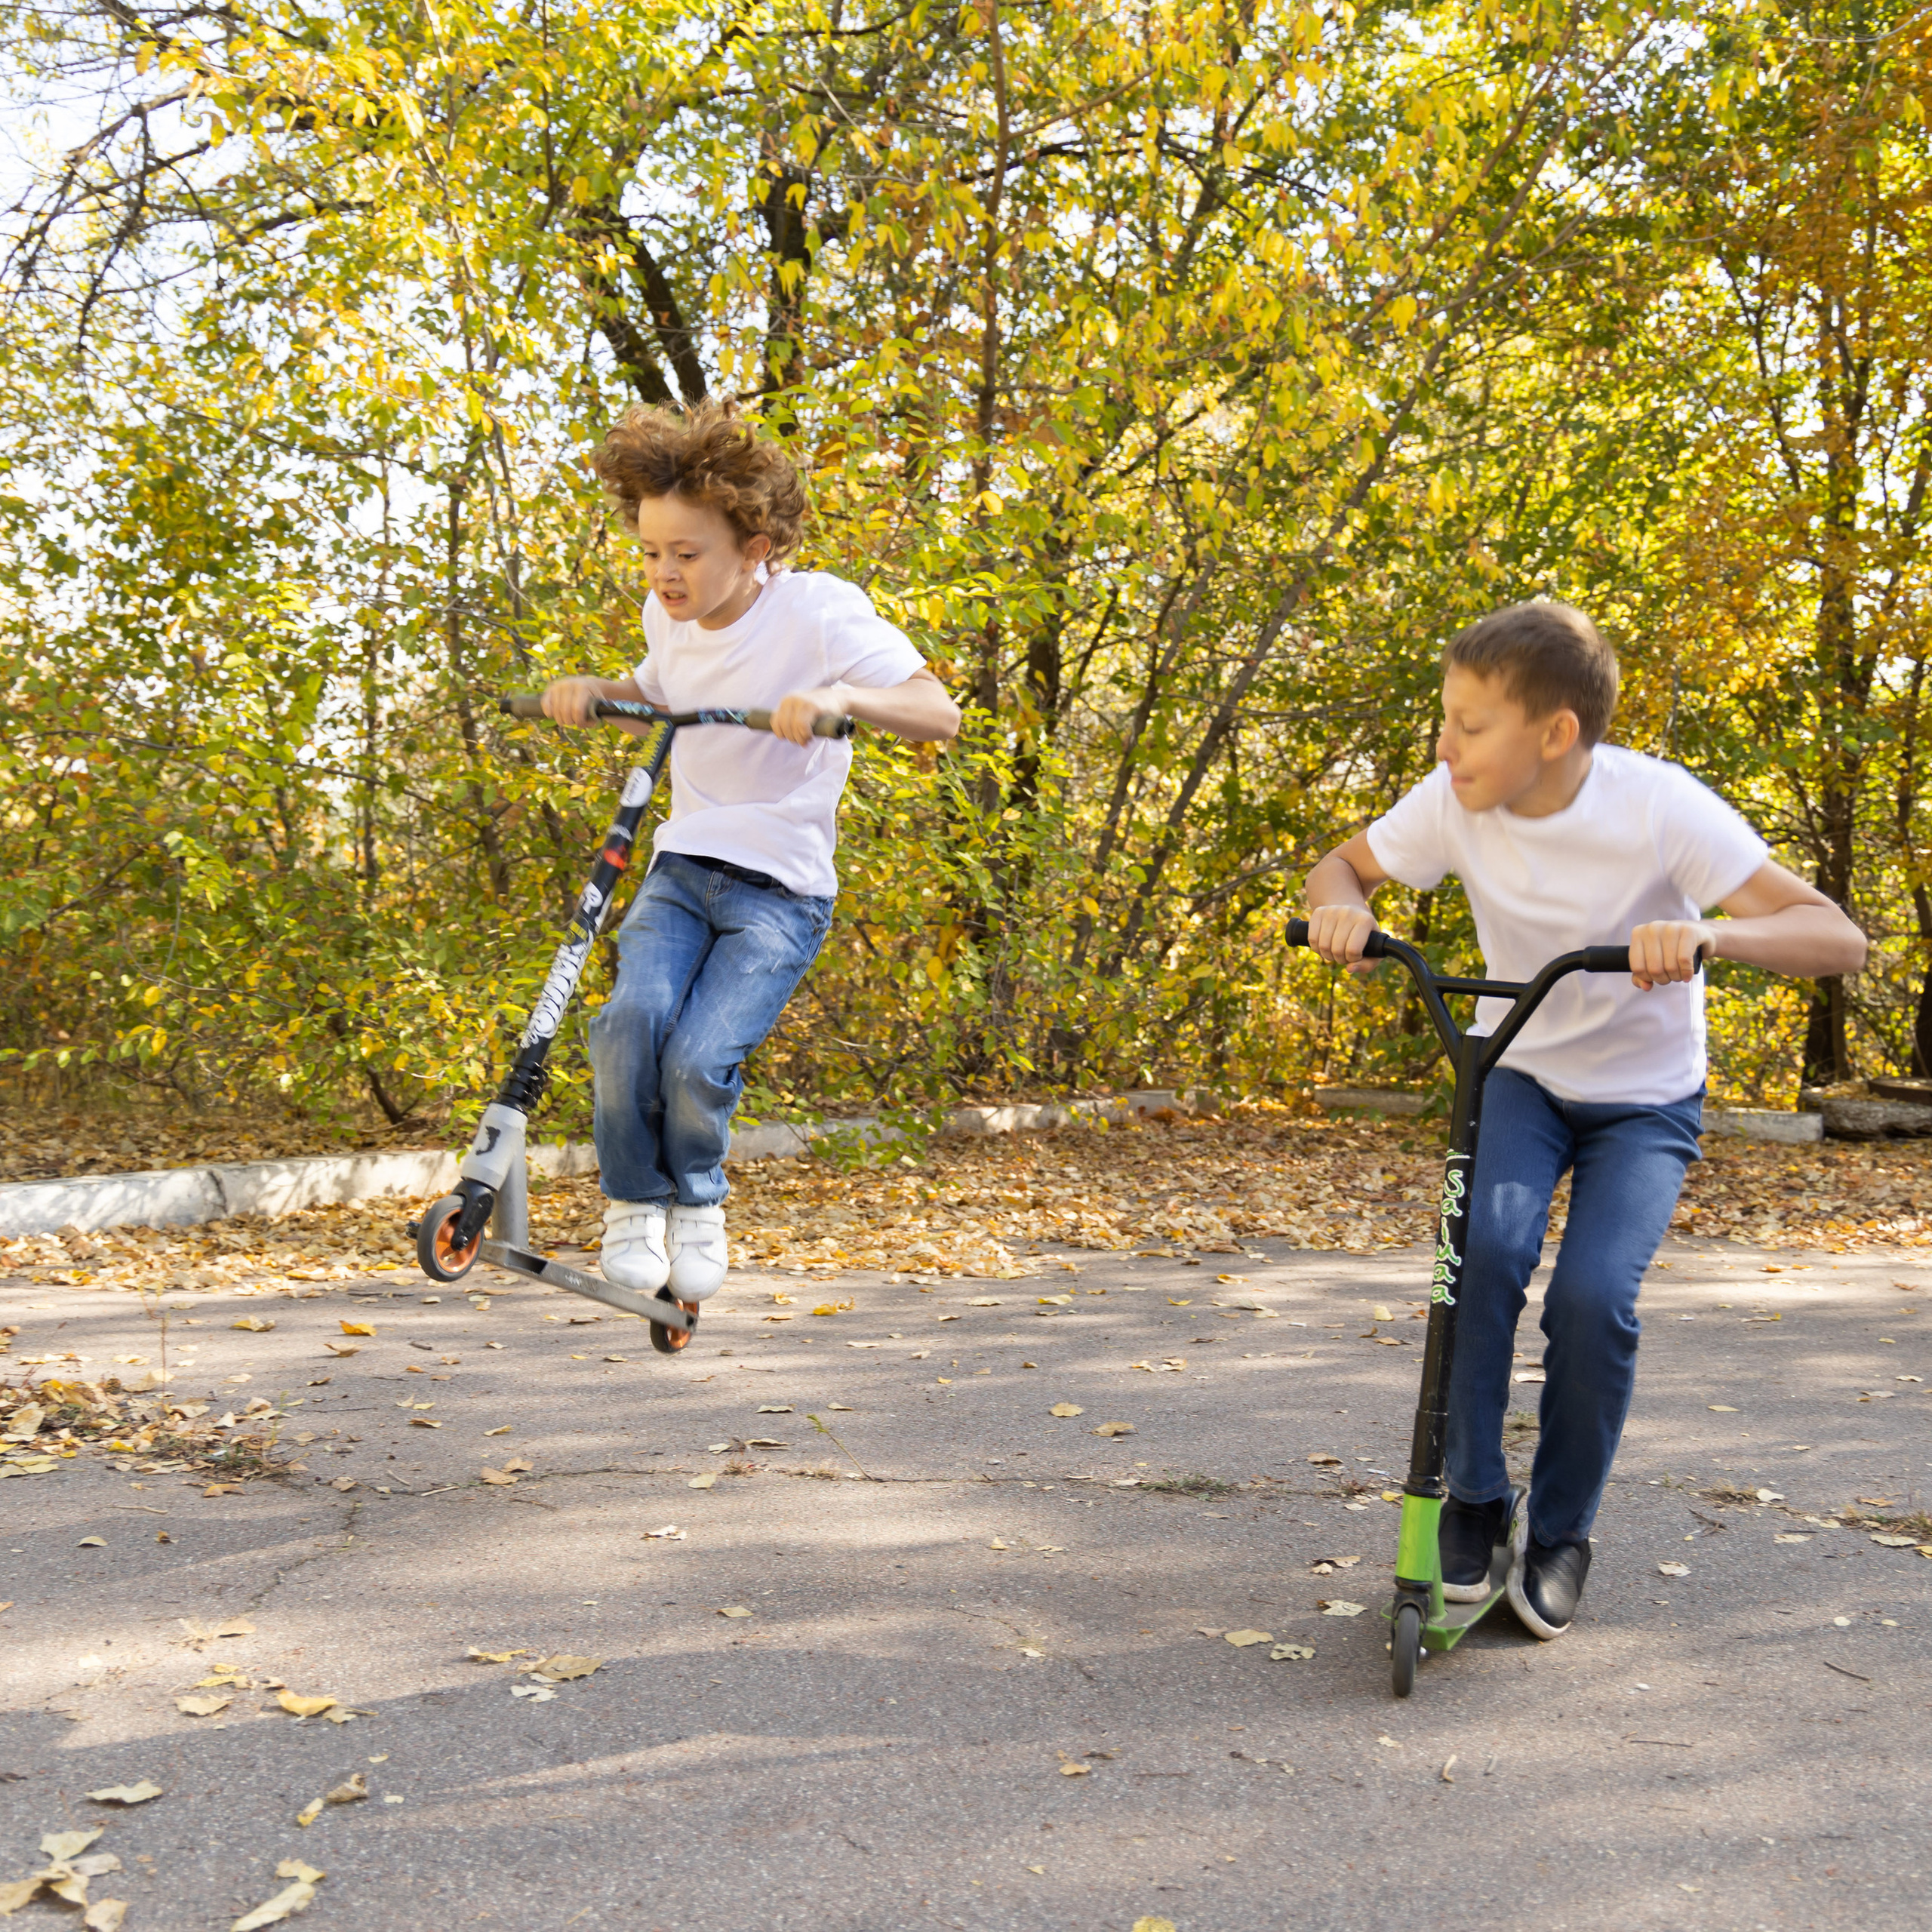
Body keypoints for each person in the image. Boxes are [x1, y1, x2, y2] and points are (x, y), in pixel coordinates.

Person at [1302, 601, 1865, 1638]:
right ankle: (1474, 1501)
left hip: (1645, 1104)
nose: (1445, 744)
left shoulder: (1657, 807)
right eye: (1446, 719)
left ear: (1554, 734)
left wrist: (1707, 939)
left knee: (1594, 1300)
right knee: (1480, 1260)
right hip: (1516, 1071)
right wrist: (1346, 905)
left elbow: (1835, 938)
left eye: (1471, 724)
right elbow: (1341, 867)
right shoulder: (1453, 802)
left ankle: (1562, 1533)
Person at [541, 399, 959, 1317]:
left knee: (695, 1059)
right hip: (683, 866)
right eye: (651, 553)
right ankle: (632, 1205)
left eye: (686, 554)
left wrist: (840, 695)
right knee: (627, 1021)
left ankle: (697, 1204)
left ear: (757, 546)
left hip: (781, 891)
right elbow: (654, 694)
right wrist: (591, 692)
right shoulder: (669, 621)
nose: (664, 574)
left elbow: (938, 711)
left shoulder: (818, 611)